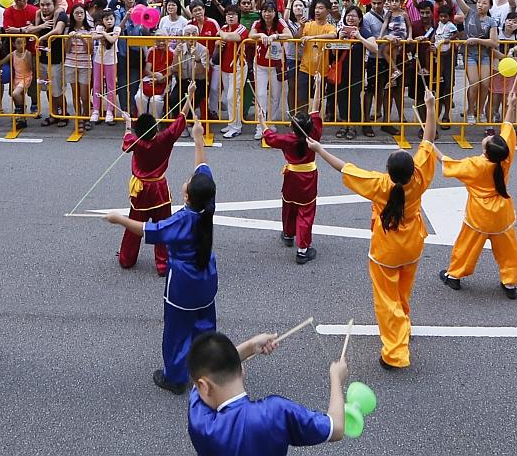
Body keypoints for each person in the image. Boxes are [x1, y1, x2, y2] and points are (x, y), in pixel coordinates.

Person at [305, 89, 440, 369]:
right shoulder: (420, 176)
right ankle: (403, 324)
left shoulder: (380, 185)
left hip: (387, 248)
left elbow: (345, 169)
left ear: (389, 170)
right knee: (403, 291)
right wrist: (429, 107)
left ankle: (395, 353)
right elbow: (428, 139)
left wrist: (319, 149)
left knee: (386, 300)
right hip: (413, 242)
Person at [105, 116, 216, 394]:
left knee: (176, 333)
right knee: (205, 324)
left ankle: (175, 377)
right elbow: (201, 165)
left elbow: (145, 229)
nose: (188, 180)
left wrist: (118, 219)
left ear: (188, 196)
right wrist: (198, 137)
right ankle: (209, 366)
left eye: (188, 183)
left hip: (182, 285)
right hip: (207, 278)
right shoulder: (209, 204)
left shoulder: (180, 221)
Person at [185, 331, 347, 456]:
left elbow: (206, 372)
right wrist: (336, 378)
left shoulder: (199, 420)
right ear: (242, 370)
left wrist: (248, 347)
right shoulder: (276, 412)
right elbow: (336, 427)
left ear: (203, 386)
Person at [438, 92, 517, 297]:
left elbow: (447, 163)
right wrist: (511, 105)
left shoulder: (475, 165)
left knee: (466, 246)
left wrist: (431, 147)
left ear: (486, 151)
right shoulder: (505, 156)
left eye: (488, 139)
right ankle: (510, 283)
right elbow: (508, 129)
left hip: (479, 215)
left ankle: (455, 276)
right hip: (502, 213)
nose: (488, 136)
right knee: (508, 250)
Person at [117, 84, 192, 274]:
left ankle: (127, 258)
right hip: (159, 188)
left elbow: (125, 144)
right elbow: (180, 120)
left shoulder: (137, 142)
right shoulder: (164, 138)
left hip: (141, 190)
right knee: (163, 226)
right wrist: (189, 95)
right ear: (156, 127)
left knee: (134, 225)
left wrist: (127, 124)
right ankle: (163, 263)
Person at [262, 111, 322, 265]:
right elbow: (315, 112)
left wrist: (262, 121)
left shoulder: (288, 139)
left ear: (292, 126)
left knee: (289, 206)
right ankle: (302, 250)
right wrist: (317, 91)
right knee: (306, 212)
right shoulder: (314, 134)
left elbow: (270, 137)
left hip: (292, 177)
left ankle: (288, 234)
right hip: (308, 178)